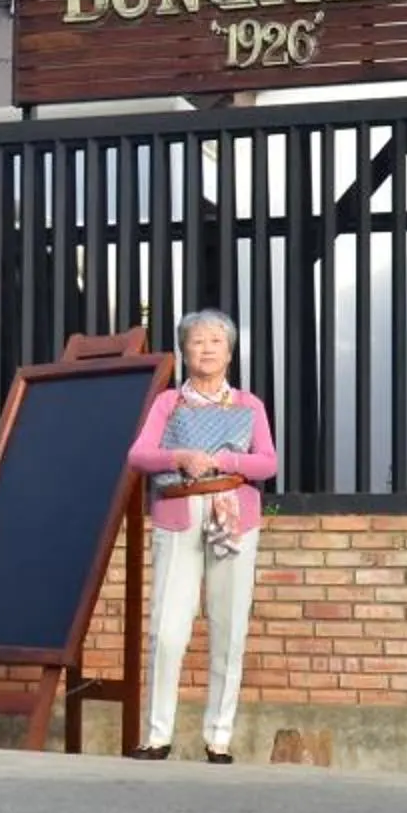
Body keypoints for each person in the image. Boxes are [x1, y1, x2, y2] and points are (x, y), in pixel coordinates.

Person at [125, 309, 277, 764]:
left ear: (229, 352)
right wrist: (181, 456)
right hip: (178, 514)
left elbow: (267, 463)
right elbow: (139, 455)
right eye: (196, 341)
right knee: (168, 630)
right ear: (184, 350)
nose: (206, 349)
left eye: (215, 341)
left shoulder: (250, 406)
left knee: (229, 627)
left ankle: (218, 737)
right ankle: (157, 735)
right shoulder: (167, 404)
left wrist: (225, 463)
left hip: (234, 515)